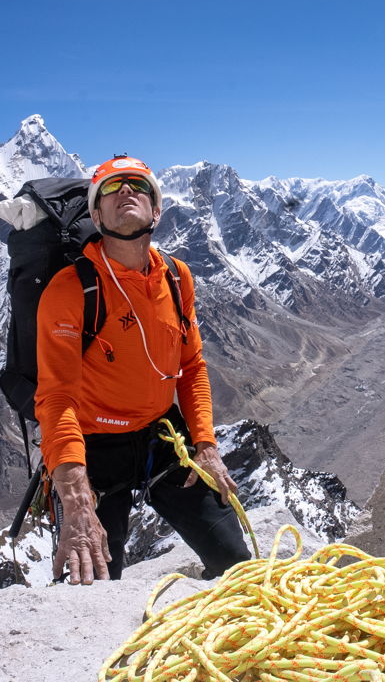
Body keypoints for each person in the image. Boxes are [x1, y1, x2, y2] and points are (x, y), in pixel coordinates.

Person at [36, 155, 249, 584]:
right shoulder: (71, 289)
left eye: (138, 185)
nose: (126, 191)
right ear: (96, 216)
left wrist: (205, 444)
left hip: (160, 437)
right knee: (90, 589)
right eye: (111, 189)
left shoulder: (176, 276)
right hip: (93, 450)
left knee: (238, 565)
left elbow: (191, 366)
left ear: (156, 210)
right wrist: (75, 494)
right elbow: (55, 396)